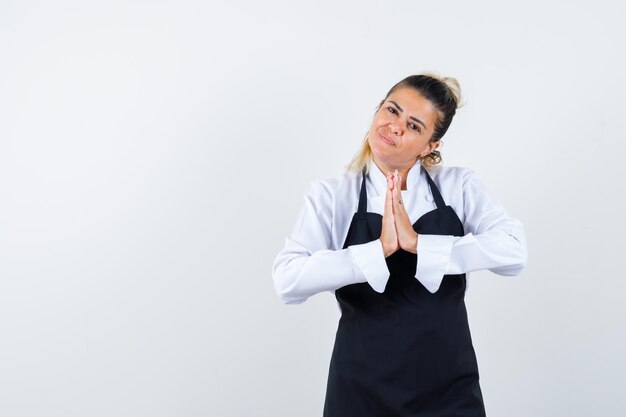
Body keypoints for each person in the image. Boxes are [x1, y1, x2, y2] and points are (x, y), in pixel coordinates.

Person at [271, 73, 528, 416]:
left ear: (430, 146)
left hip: (449, 388)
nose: (395, 126)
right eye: (392, 110)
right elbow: (287, 281)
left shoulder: (458, 186)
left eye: (414, 125)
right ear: (378, 109)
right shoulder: (332, 196)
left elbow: (513, 251)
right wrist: (378, 250)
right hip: (360, 390)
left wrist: (421, 244)